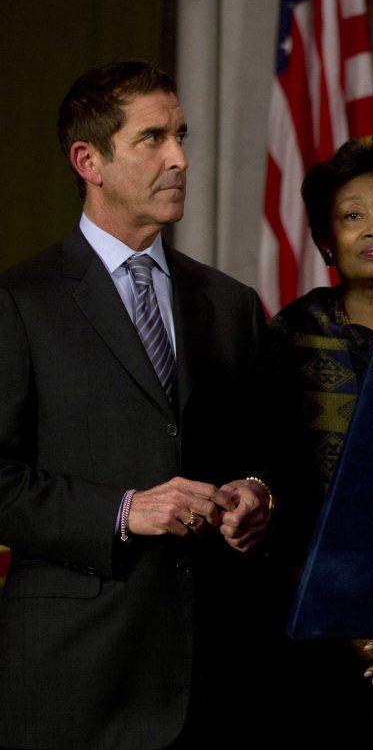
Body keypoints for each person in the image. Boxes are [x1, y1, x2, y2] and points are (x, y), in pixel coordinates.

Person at [0, 60, 275, 748]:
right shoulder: (19, 303)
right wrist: (125, 510)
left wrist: (257, 490)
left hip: (216, 682)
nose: (179, 157)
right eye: (153, 139)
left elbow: (266, 450)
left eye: (181, 135)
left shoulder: (231, 305)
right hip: (77, 680)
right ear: (87, 159)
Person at [265, 133, 373, 748]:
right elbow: (277, 489)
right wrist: (338, 615)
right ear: (325, 241)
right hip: (314, 616)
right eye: (353, 216)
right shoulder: (289, 338)